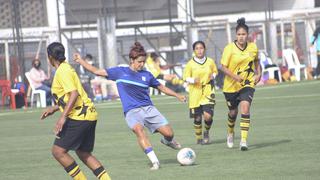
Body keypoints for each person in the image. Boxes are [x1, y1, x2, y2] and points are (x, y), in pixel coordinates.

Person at [73, 42, 186, 170]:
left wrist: (177, 95)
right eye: (139, 61)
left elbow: (162, 87)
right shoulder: (119, 72)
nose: (142, 64)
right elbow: (96, 71)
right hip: (131, 111)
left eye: (143, 61)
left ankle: (167, 141)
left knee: (169, 133)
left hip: (149, 109)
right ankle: (155, 162)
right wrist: (80, 61)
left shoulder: (146, 75)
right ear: (132, 60)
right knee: (139, 131)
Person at [41, 42, 111, 180]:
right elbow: (72, 94)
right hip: (88, 115)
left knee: (58, 151)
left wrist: (62, 117)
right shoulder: (66, 68)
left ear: (50, 57)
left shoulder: (62, 71)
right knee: (83, 152)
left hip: (79, 117)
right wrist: (55, 108)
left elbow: (73, 94)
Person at [220, 18, 261, 151]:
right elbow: (223, 67)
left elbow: (256, 61)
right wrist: (235, 77)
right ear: (235, 35)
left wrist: (258, 73)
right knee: (233, 113)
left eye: (243, 34)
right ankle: (230, 132)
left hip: (247, 83)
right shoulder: (229, 48)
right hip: (230, 86)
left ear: (247, 35)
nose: (241, 37)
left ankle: (243, 140)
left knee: (245, 108)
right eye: (239, 34)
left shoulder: (253, 47)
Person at [183, 41, 218, 145]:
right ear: (194, 50)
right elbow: (185, 77)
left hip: (208, 90)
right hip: (195, 92)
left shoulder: (210, 61)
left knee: (208, 116)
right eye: (197, 48)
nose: (199, 50)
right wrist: (193, 80)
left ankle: (206, 132)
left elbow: (215, 71)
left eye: (201, 48)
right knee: (197, 118)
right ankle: (199, 138)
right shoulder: (190, 64)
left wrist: (214, 76)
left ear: (204, 49)